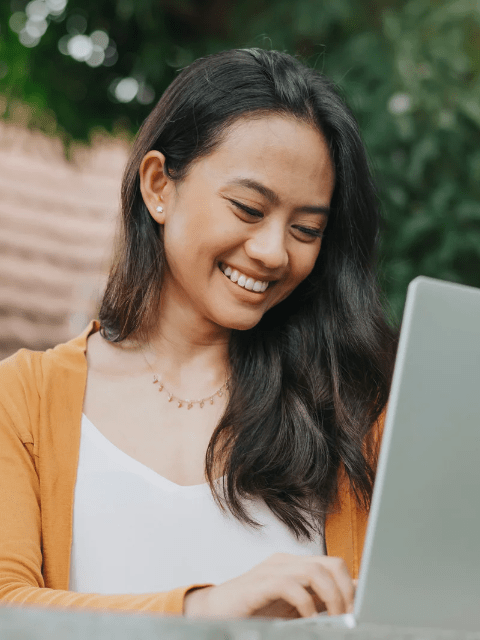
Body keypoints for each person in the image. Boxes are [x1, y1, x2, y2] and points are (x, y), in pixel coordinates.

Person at [0, 48, 396, 620]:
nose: (273, 251)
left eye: (307, 229)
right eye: (248, 208)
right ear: (160, 185)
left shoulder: (358, 409)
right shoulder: (22, 399)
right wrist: (205, 610)